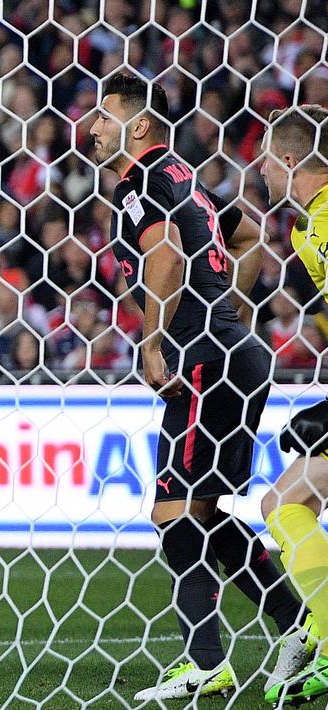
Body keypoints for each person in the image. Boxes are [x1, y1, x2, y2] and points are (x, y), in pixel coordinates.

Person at [89, 72, 312, 701]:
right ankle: (299, 624)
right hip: (234, 351)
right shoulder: (187, 179)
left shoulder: (141, 182)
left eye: (104, 117)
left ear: (137, 125)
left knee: (173, 511)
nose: (93, 128)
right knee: (206, 513)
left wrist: (155, 338)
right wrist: (230, 307)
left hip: (203, 358)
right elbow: (247, 238)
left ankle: (207, 662)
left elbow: (162, 255)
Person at [258, 104, 328, 707]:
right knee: (285, 501)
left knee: (286, 503)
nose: (258, 168)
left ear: (287, 159)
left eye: (264, 156)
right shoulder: (309, 225)